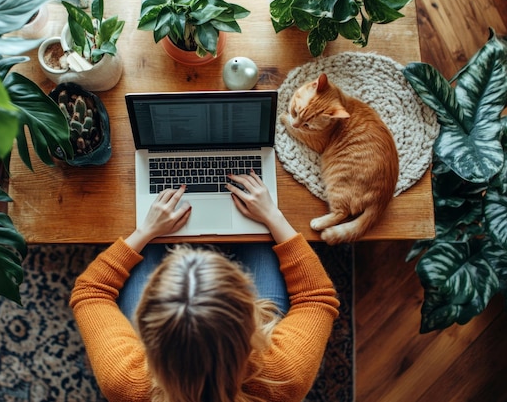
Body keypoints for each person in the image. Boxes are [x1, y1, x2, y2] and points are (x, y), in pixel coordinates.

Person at [70, 170, 340, 402]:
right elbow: (315, 297)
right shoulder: (284, 377)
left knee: (142, 227)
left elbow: (91, 291)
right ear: (250, 318)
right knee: (262, 232)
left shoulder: (125, 383)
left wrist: (145, 232)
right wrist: (273, 217)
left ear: (145, 326)